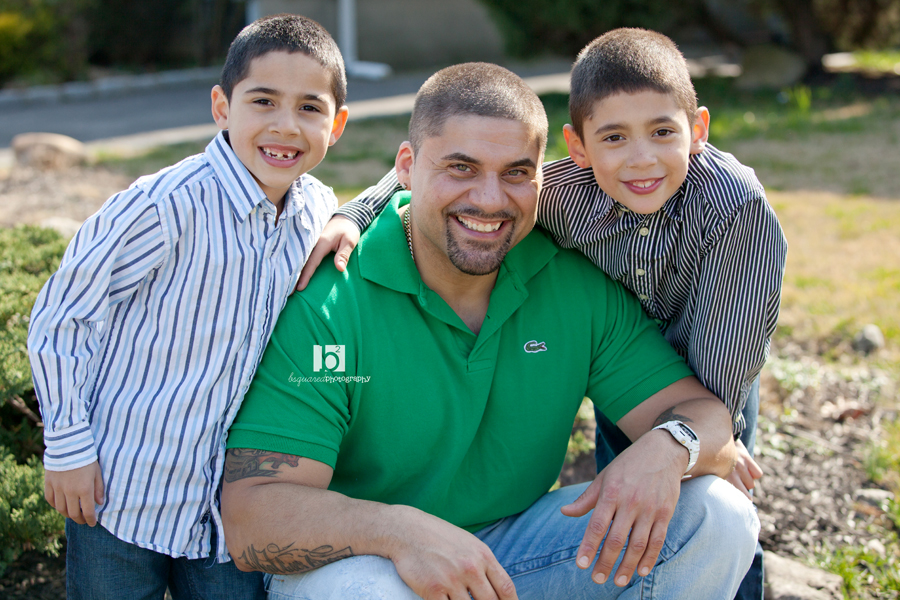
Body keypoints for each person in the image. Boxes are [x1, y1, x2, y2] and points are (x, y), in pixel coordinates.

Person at [222, 62, 759, 600]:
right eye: (461, 168)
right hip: (363, 559)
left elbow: (707, 417)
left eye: (516, 173)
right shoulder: (329, 301)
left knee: (716, 514)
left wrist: (670, 447)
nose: (489, 199)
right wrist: (398, 531)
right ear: (406, 167)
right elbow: (253, 517)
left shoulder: (571, 282)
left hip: (512, 552)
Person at [27, 14, 349, 600]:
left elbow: (391, 189)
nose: (285, 125)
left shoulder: (317, 210)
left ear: (338, 125)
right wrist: (68, 447)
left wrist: (350, 218)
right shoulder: (164, 206)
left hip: (227, 512)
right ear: (222, 107)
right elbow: (63, 317)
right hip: (121, 492)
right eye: (263, 101)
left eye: (310, 108)